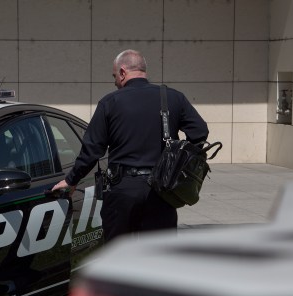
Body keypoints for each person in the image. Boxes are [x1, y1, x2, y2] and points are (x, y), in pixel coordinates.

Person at [51, 49, 209, 242]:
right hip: (162, 192)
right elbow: (200, 133)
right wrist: (177, 161)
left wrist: (71, 180)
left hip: (122, 190)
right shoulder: (173, 98)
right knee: (159, 256)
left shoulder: (110, 102)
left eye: (114, 76)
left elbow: (92, 149)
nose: (115, 81)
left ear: (123, 72)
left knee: (118, 256)